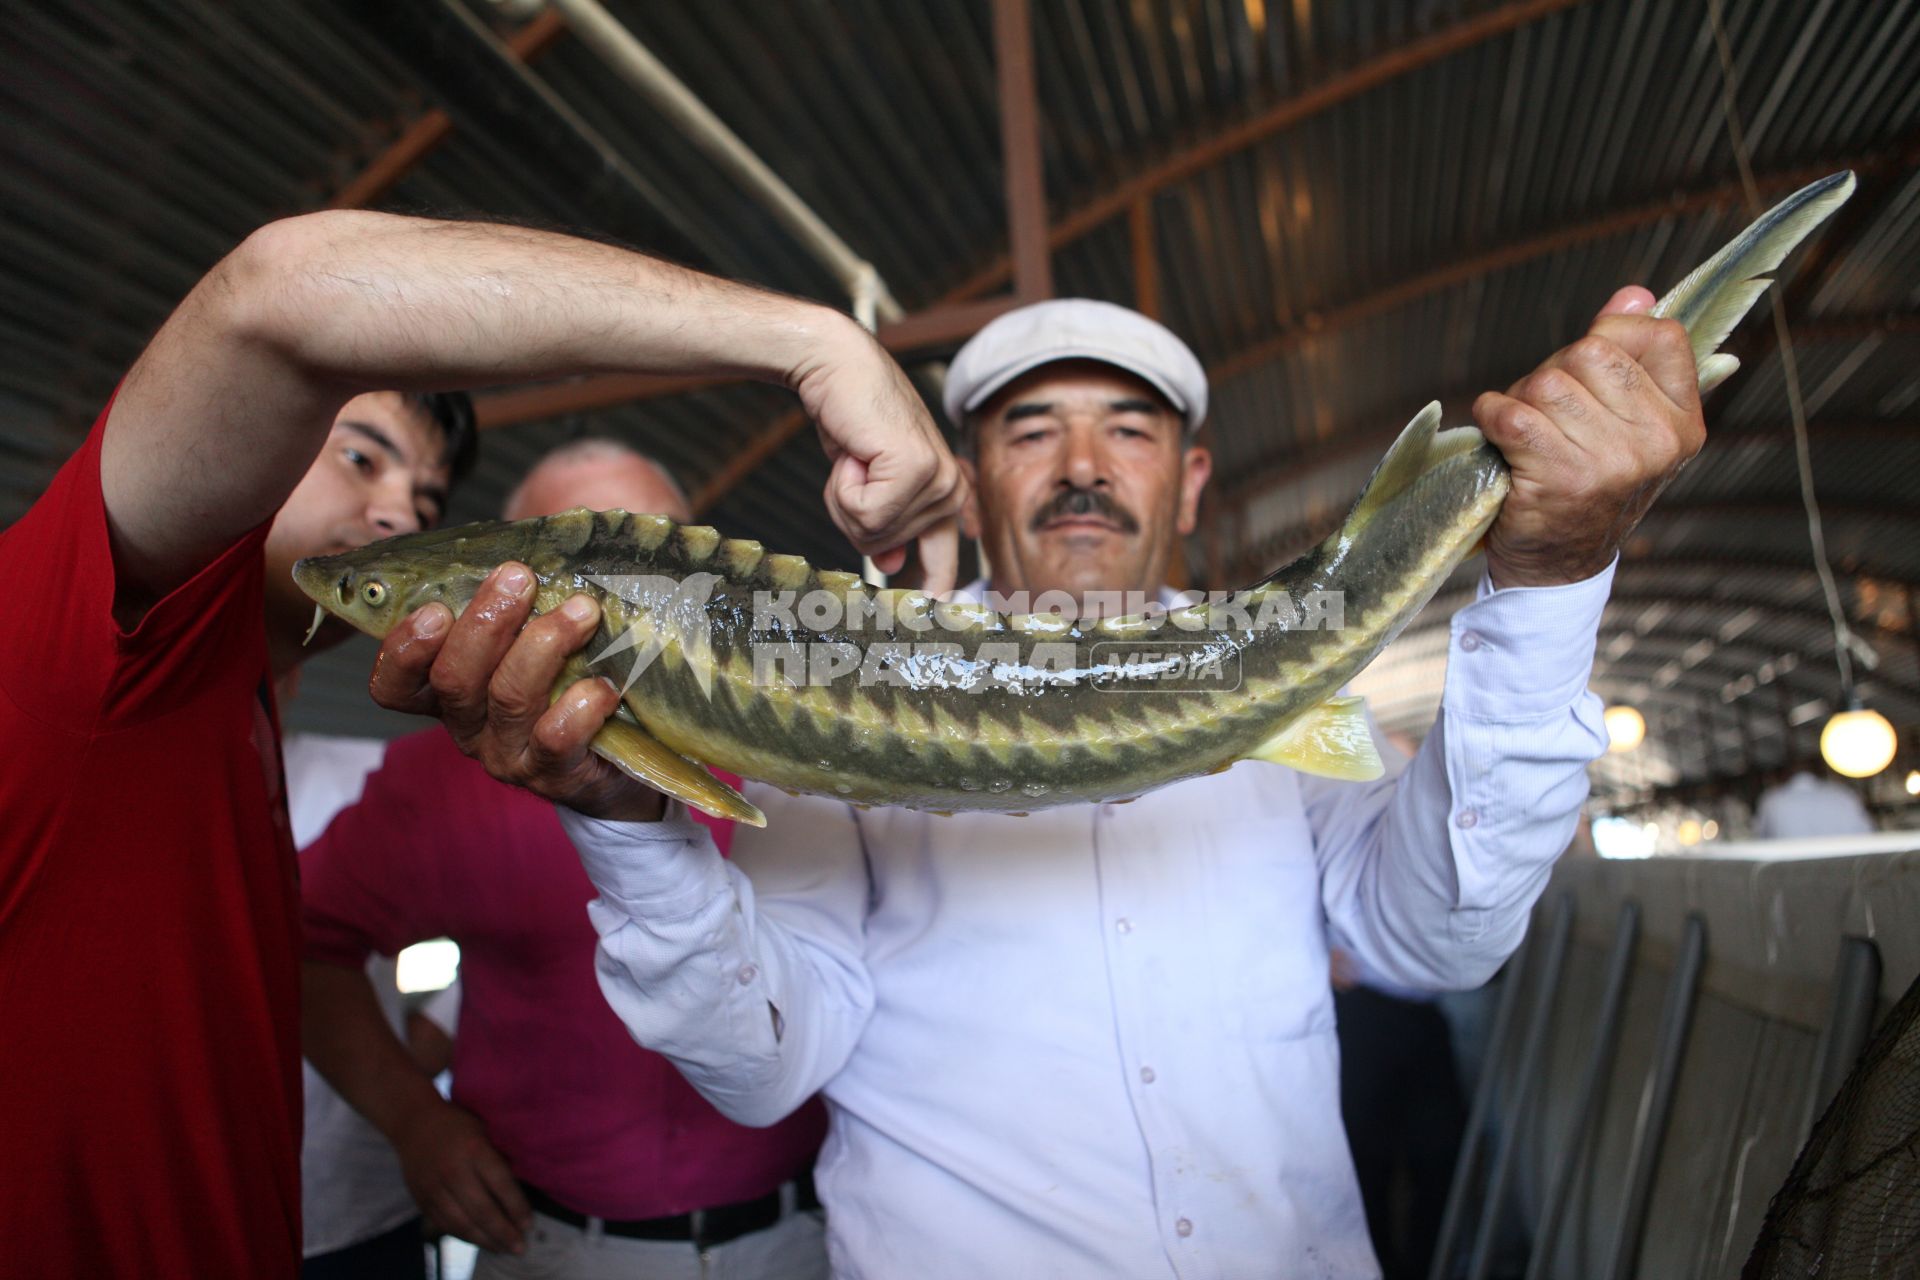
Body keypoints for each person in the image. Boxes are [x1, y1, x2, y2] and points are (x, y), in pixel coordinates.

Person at [360, 291, 1707, 1277]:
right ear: (968, 481)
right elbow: (767, 1064)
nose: (1079, 467)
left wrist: (1549, 581)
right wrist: (630, 822)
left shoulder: (1295, 690)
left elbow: (1441, 938)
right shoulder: (835, 711)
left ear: (1187, 482)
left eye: (1126, 431)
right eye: (1031, 430)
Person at [0, 210, 965, 1277]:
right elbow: (281, 296)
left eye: (420, 496)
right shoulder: (106, 635)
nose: (390, 515)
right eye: (356, 453)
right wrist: (817, 341)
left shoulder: (240, 719)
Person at [301, 440, 829, 1280]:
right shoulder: (432, 783)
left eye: (651, 549)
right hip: (554, 1249)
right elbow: (301, 941)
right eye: (575, 555)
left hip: (798, 1235)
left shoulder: (802, 769)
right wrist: (413, 1120)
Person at [284, 725, 463, 1279]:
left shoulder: (362, 769)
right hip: (164, 1204)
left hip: (349, 1203)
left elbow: (509, 888)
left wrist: (444, 1022)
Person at [1753, 768, 1875, 839]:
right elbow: (1868, 833)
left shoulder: (1773, 801)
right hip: (1847, 870)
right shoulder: (1843, 795)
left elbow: (1760, 838)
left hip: (1792, 873)